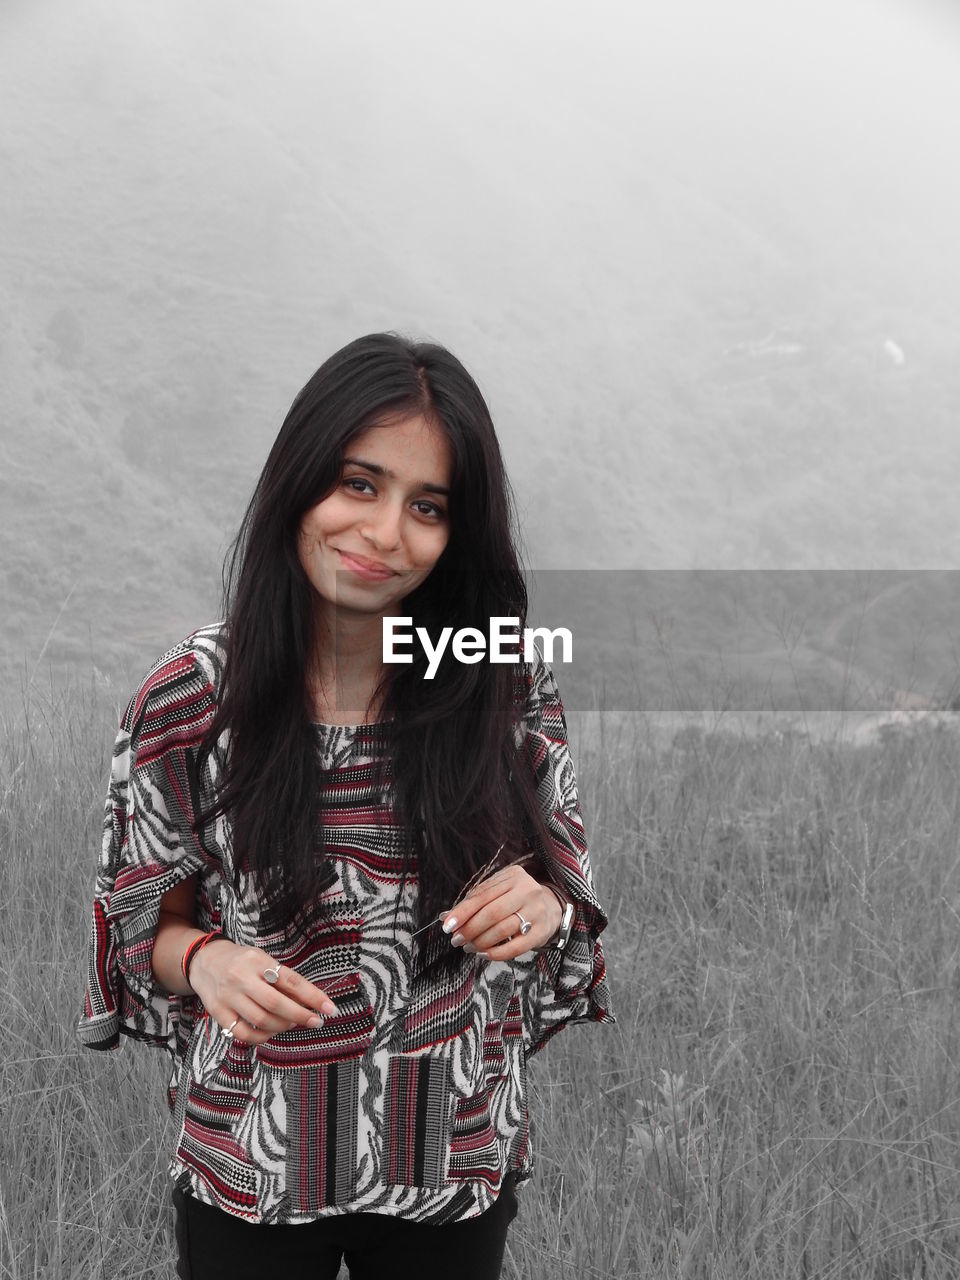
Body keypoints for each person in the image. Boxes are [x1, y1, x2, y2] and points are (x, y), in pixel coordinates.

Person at [77, 332, 613, 1279]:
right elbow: (138, 929)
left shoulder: (501, 682)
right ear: (300, 477)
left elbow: (567, 893)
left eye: (428, 506)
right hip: (254, 1161)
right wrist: (206, 960)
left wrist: (544, 906)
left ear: (458, 534)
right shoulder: (191, 697)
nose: (384, 533)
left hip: (449, 1158)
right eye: (359, 484)